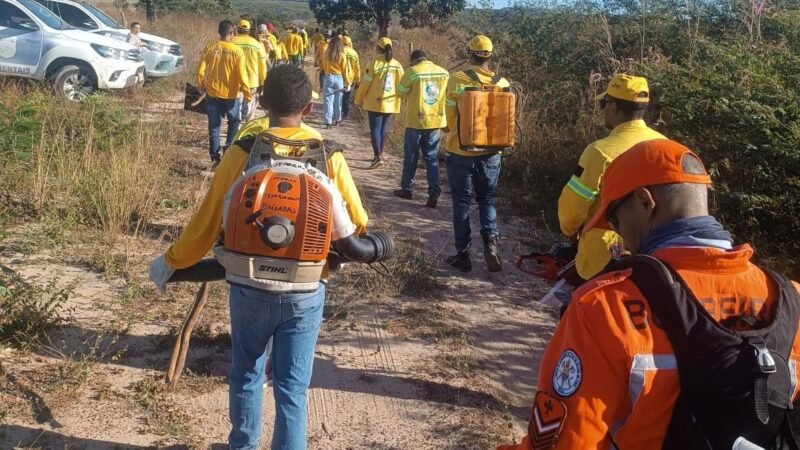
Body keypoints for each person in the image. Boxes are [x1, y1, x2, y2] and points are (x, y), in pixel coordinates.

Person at [498, 139, 800, 450]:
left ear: (645, 202)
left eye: (615, 220)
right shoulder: (789, 300)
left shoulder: (604, 307)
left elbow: (567, 444)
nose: (621, 236)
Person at [149, 65, 368, 450]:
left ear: (263, 103)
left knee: (246, 372)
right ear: (310, 109)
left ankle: (243, 445)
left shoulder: (243, 152)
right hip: (305, 289)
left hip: (248, 287)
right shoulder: (328, 156)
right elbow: (358, 224)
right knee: (292, 387)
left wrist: (172, 261)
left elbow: (206, 222)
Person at [557, 74, 666, 281]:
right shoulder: (666, 146)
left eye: (604, 104)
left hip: (603, 258)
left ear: (614, 108)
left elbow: (572, 209)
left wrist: (569, 230)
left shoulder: (600, 152)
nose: (604, 110)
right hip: (652, 256)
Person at [442, 35, 508, 272]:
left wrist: (449, 130)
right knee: (487, 198)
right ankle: (491, 244)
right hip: (491, 153)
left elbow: (449, 119)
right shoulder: (503, 83)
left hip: (460, 151)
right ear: (491, 55)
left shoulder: (457, 79)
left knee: (461, 202)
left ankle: (463, 254)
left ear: (469, 54)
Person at [393, 50, 448, 208]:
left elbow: (399, 92)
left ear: (413, 61)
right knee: (432, 158)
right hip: (435, 122)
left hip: (416, 122)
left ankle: (407, 189)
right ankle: (434, 192)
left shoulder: (412, 71)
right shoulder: (443, 73)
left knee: (411, 156)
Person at [197, 20, 251, 165]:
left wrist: (203, 86)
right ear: (231, 33)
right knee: (234, 121)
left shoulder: (210, 47)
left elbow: (200, 72)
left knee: (214, 127)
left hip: (212, 94)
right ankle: (228, 148)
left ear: (219, 32)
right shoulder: (237, 52)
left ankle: (215, 159)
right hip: (231, 95)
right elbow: (242, 75)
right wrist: (247, 93)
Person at [354, 37, 403, 169]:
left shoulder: (374, 63)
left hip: (374, 102)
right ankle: (379, 155)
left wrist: (358, 99)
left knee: (375, 129)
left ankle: (377, 157)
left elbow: (365, 83)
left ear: (378, 48)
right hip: (390, 102)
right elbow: (401, 85)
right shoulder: (397, 64)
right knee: (383, 130)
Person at [232, 19, 268, 122]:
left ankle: (236, 126)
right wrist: (263, 81)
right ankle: (246, 127)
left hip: (234, 80)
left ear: (238, 30)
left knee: (236, 104)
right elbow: (262, 65)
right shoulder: (257, 44)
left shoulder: (231, 42)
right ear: (249, 31)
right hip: (252, 81)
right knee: (249, 104)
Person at [320, 36, 351, 129]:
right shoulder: (342, 55)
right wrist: (348, 82)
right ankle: (337, 120)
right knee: (338, 101)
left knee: (328, 101)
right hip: (339, 79)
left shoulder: (326, 54)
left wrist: (327, 74)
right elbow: (345, 70)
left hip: (329, 76)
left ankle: (328, 122)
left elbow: (324, 66)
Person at [341, 35, 360, 120]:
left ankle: (338, 111)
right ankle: (345, 112)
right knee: (346, 96)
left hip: (340, 76)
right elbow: (357, 68)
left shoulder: (340, 51)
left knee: (339, 95)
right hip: (350, 78)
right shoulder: (354, 53)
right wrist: (357, 80)